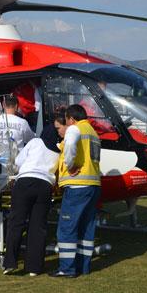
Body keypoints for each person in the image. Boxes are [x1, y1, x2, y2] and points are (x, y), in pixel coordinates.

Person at [2, 122, 62, 276]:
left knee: (16, 222)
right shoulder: (58, 151)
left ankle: (10, 263)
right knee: (38, 227)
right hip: (45, 186)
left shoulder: (35, 142)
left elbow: (18, 161)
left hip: (25, 181)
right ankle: (34, 267)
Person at [50, 104, 101, 279]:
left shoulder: (74, 129)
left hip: (78, 184)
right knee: (86, 227)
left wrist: (70, 166)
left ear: (71, 118)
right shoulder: (93, 133)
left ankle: (67, 268)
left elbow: (70, 145)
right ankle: (84, 266)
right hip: (93, 185)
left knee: (67, 227)